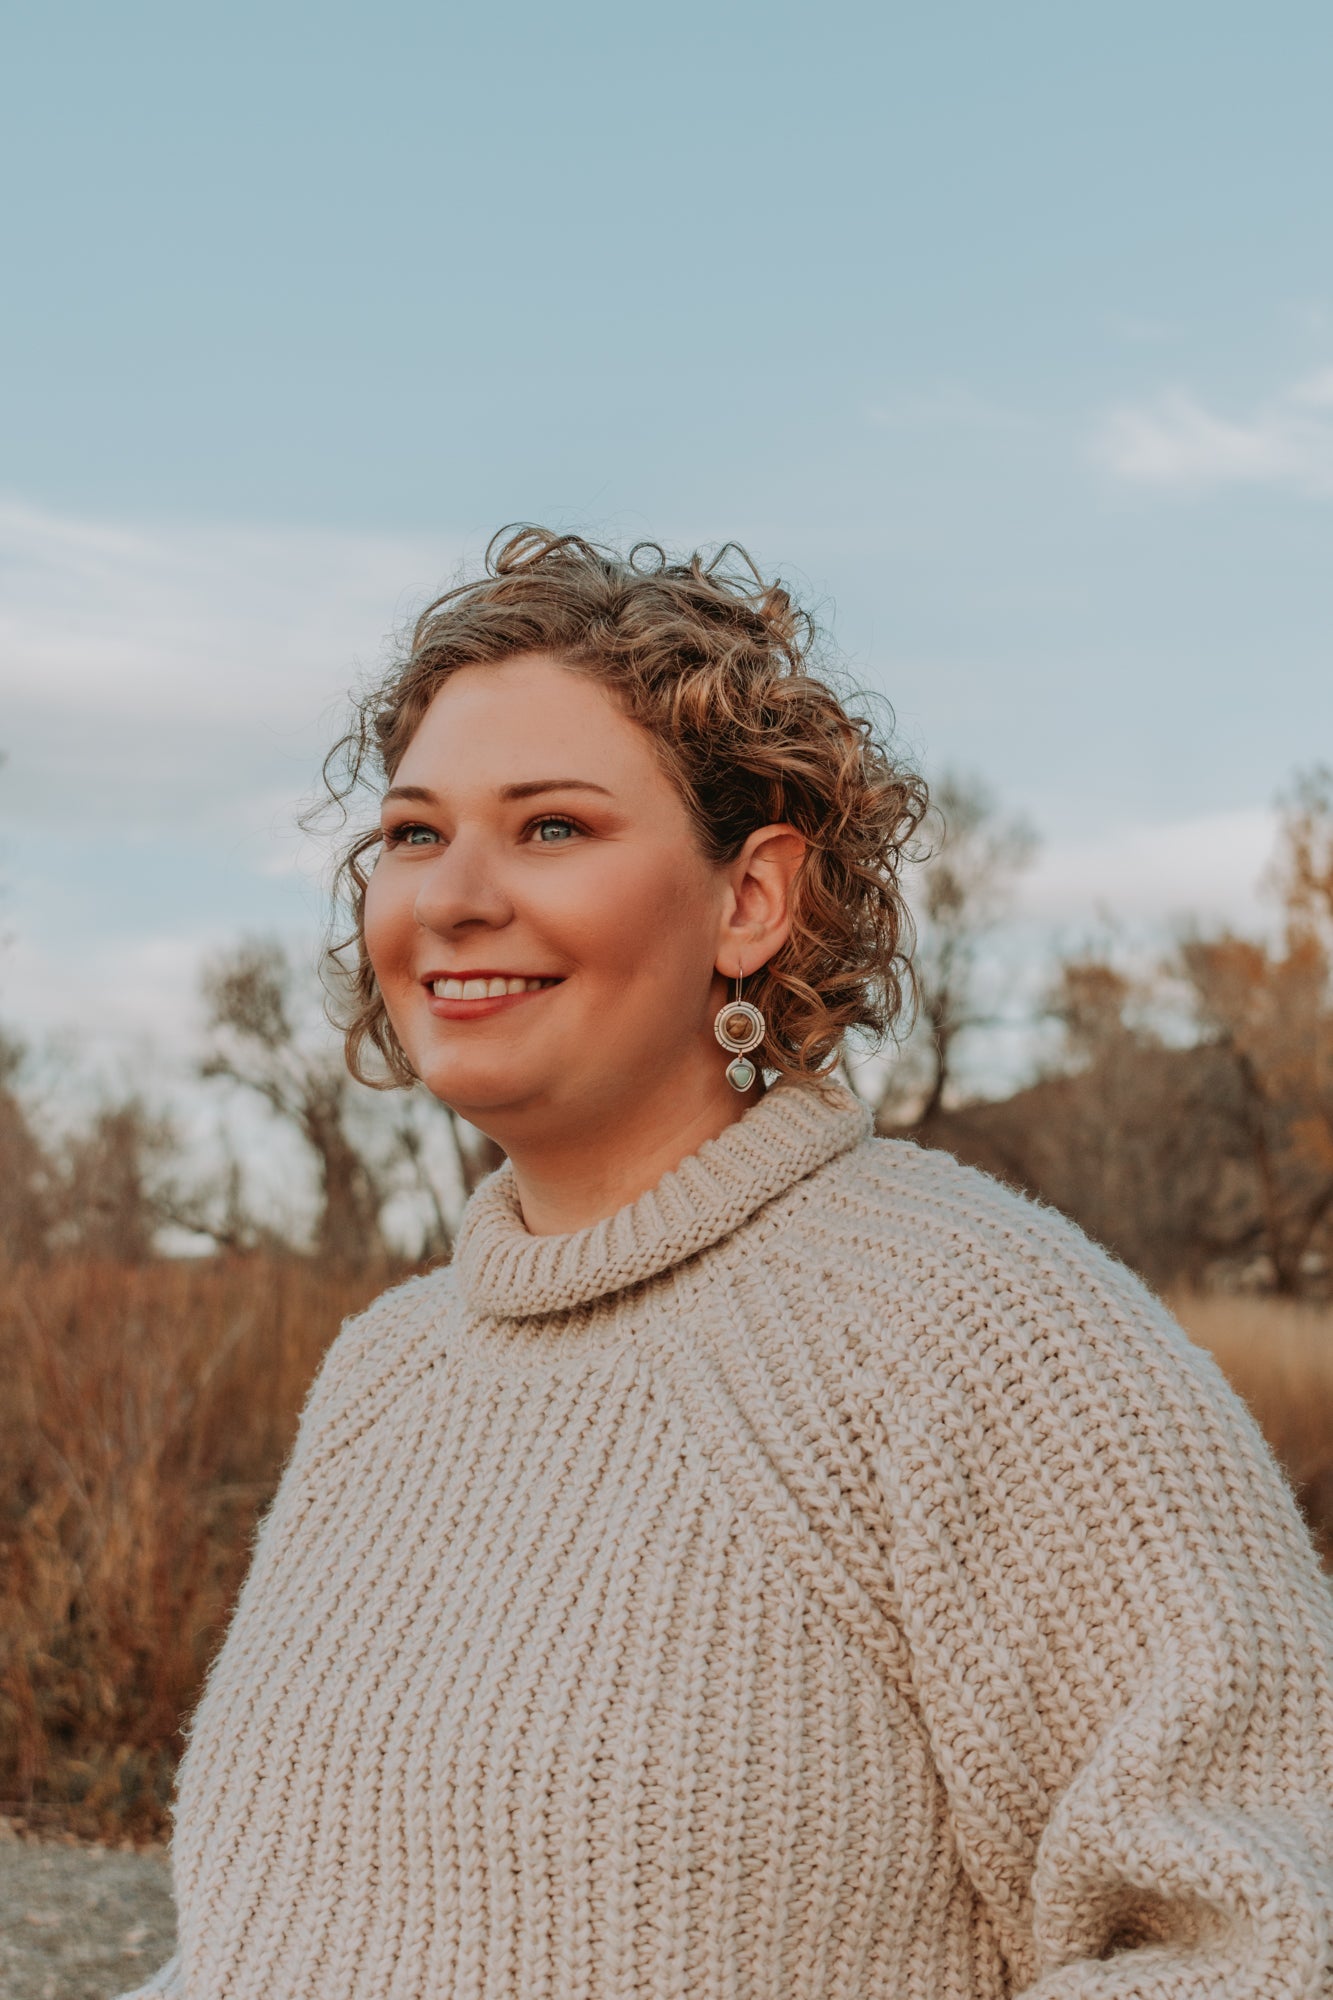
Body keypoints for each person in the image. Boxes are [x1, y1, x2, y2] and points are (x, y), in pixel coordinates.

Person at [122, 527, 1333, 2000]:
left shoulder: (976, 1326)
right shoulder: (382, 1376)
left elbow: (1263, 1942)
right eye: (414, 833)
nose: (448, 899)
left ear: (750, 900)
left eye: (552, 826)